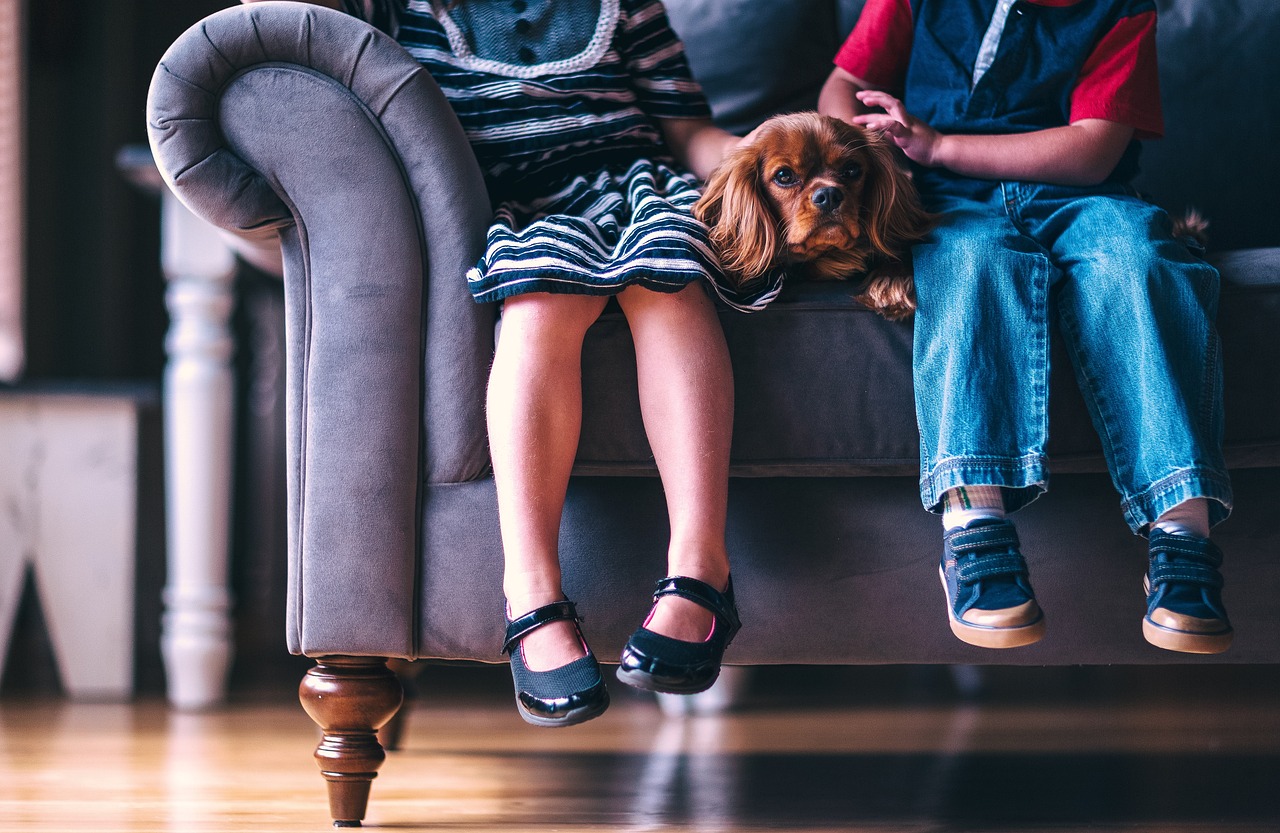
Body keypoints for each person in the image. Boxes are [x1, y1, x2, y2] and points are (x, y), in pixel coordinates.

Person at [242, 0, 750, 726]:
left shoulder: (626, 7)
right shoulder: (406, 9)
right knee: (538, 302)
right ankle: (532, 593)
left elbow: (689, 130)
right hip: (524, 203)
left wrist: (761, 156)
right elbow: (288, 16)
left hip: (639, 186)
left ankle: (700, 567)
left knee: (668, 280)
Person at [818, 0, 1234, 654]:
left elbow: (1092, 151)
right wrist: (863, 147)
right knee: (970, 266)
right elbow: (844, 82)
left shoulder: (1122, 10)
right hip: (949, 201)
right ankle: (973, 525)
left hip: (1081, 197)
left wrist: (941, 145)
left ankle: (1181, 531)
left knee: (1141, 263)